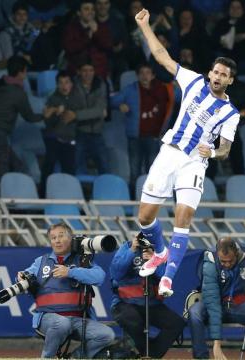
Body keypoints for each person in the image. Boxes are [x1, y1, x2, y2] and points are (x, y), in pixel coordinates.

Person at [132, 8, 241, 297]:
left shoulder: (230, 113)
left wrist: (214, 152)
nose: (218, 77)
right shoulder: (192, 81)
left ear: (230, 81)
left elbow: (226, 149)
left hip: (195, 162)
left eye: (224, 75)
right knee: (144, 218)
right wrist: (144, 25)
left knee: (183, 217)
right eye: (216, 71)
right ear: (210, 73)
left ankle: (168, 278)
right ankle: (160, 250)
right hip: (169, 153)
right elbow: (161, 57)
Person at [20, 223, 115, 358]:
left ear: (70, 238)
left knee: (106, 335)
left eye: (61, 236)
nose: (57, 241)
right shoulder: (41, 262)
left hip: (77, 319)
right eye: (53, 238)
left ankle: (73, 358)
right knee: (62, 323)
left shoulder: (82, 260)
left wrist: (70, 272)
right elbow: (24, 278)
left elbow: (99, 277)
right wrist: (21, 277)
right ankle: (47, 358)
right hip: (48, 317)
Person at [188, 237, 245, 360]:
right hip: (214, 305)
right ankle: (201, 357)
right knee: (195, 312)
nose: (226, 265)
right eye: (223, 261)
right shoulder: (210, 262)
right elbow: (213, 303)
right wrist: (217, 344)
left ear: (237, 254)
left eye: (230, 261)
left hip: (239, 306)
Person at [0, 56, 43, 199]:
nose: (25, 75)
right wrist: (46, 115)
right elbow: (30, 117)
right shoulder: (18, 93)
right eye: (25, 72)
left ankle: (17, 200)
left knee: (18, 168)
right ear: (20, 72)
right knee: (1, 172)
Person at [109, 235, 186, 358]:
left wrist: (154, 261)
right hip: (124, 302)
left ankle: (152, 354)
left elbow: (165, 276)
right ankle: (145, 352)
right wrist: (132, 250)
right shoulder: (127, 247)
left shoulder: (159, 251)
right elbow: (116, 273)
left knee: (176, 323)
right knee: (134, 319)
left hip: (150, 304)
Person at [111, 63, 174, 184]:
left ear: (153, 75)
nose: (145, 76)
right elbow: (112, 100)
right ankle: (134, 199)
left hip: (153, 137)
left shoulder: (162, 89)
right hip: (135, 138)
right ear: (137, 75)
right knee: (135, 172)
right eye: (142, 73)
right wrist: (119, 105)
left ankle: (150, 200)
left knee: (153, 171)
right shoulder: (130, 89)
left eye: (148, 73)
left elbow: (179, 97)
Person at [39, 71, 78, 195]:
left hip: (70, 140)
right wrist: (54, 111)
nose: (64, 86)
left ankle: (68, 197)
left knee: (69, 171)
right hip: (53, 139)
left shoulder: (77, 98)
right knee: (48, 168)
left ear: (71, 84)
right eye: (60, 83)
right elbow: (47, 120)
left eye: (66, 82)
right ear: (56, 85)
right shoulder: (53, 99)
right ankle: (42, 196)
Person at [72, 61, 110, 176]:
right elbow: (72, 108)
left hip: (97, 132)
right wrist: (93, 113)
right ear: (79, 72)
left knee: (104, 166)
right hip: (79, 132)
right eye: (84, 71)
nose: (88, 74)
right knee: (75, 166)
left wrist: (77, 115)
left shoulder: (100, 85)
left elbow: (99, 110)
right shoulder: (72, 86)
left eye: (91, 70)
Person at [62, 0, 113, 79]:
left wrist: (96, 32)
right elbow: (70, 48)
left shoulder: (101, 27)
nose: (90, 12)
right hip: (77, 73)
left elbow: (108, 46)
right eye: (86, 9)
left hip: (98, 72)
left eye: (92, 9)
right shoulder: (71, 29)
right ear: (79, 12)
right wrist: (87, 37)